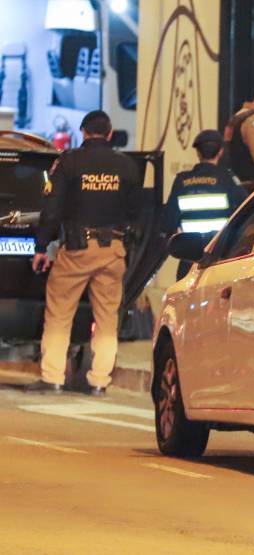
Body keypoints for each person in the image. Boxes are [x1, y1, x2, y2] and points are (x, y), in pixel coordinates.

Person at [26, 110, 142, 396]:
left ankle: (52, 376)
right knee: (106, 319)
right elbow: (137, 212)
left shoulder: (69, 161)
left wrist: (42, 247)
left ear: (83, 132)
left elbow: (52, 210)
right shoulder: (127, 166)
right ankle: (99, 381)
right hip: (113, 250)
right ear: (110, 133)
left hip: (77, 249)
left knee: (59, 313)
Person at [163, 129, 249, 280]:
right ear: (220, 151)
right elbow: (246, 210)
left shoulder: (181, 180)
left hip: (189, 253)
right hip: (218, 252)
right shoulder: (227, 178)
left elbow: (170, 218)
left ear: (198, 152)